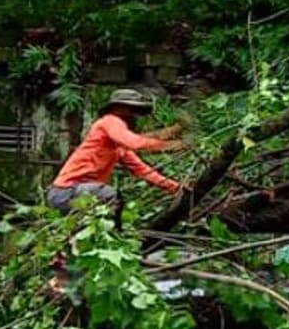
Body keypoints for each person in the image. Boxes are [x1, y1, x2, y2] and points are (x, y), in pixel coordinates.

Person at [47, 88, 186, 226]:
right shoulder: (109, 121)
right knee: (108, 194)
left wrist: (176, 187)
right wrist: (170, 145)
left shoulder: (118, 147)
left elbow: (144, 171)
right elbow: (135, 142)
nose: (134, 116)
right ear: (118, 108)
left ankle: (110, 234)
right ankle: (112, 231)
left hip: (80, 193)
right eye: (131, 110)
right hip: (66, 193)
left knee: (109, 201)